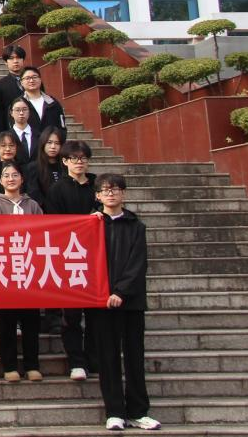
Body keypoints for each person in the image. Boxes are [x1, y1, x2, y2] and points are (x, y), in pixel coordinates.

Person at [93, 173, 159, 432]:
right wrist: (103, 292)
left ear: (124, 194)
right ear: (97, 196)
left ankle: (138, 411)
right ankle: (114, 412)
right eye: (105, 190)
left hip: (131, 301)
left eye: (115, 189)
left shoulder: (136, 226)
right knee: (107, 358)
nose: (110, 194)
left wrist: (121, 291)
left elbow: (137, 263)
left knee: (134, 357)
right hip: (101, 301)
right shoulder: (91, 224)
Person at [0, 161, 44, 383]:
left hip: (29, 268)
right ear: (0, 180)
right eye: (7, 175)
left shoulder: (33, 205)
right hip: (5, 269)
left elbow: (42, 232)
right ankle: (9, 365)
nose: (11, 179)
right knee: (7, 321)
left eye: (15, 175)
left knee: (31, 321)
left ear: (22, 179)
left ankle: (32, 365)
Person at [49, 141, 99, 382]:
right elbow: (54, 223)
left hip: (96, 255)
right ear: (65, 161)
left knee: (96, 314)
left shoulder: (98, 186)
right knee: (71, 314)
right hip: (68, 256)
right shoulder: (57, 189)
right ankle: (76, 361)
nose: (79, 162)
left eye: (83, 158)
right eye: (74, 158)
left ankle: (94, 358)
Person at [26, 125, 67, 207]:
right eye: (49, 142)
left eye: (57, 143)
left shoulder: (66, 167)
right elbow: (34, 194)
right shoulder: (33, 167)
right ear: (43, 143)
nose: (53, 147)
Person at [20, 66, 67, 136]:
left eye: (34, 77)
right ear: (21, 82)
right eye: (27, 78)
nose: (31, 80)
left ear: (40, 80)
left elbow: (62, 128)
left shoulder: (53, 103)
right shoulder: (19, 104)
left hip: (50, 142)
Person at [0, 45, 28, 134]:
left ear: (23, 60)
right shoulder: (0, 85)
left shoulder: (33, 81)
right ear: (6, 62)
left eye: (18, 58)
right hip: (11, 131)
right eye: (11, 58)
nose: (15, 61)